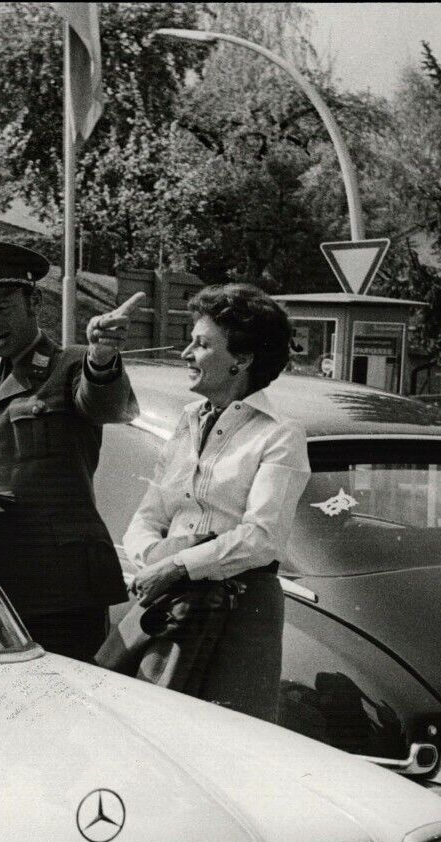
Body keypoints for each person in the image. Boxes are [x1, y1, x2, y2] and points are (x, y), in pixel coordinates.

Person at [0, 238, 140, 663]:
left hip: (61, 591)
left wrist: (104, 357)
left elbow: (108, 406)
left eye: (2, 307)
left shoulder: (72, 365)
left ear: (33, 301)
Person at [113, 283, 309, 722]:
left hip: (240, 612)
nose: (186, 353)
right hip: (171, 600)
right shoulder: (187, 420)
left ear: (242, 360)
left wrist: (177, 564)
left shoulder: (279, 435)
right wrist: (156, 559)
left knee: (227, 740)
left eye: (201, 344)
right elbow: (147, 516)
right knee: (154, 729)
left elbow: (262, 539)